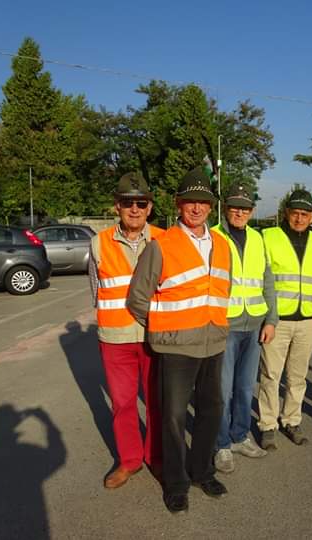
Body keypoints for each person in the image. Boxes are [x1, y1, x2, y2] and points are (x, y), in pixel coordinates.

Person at [127, 166, 231, 514]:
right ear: (178, 204)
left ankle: (202, 471)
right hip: (175, 348)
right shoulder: (161, 246)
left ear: (211, 206)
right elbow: (137, 298)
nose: (197, 208)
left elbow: (222, 290)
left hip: (213, 342)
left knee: (211, 410)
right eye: (190, 201)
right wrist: (162, 328)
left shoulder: (223, 245)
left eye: (203, 202)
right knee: (172, 417)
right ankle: (175, 483)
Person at [88, 171, 163, 489]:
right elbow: (95, 290)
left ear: (150, 207)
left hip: (155, 337)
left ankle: (156, 457)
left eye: (141, 203)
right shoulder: (98, 242)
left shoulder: (164, 239)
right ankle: (130, 460)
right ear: (116, 205)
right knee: (123, 403)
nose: (135, 209)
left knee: (158, 401)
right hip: (115, 339)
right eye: (128, 202)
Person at [211, 184, 278, 474]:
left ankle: (240, 436)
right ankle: (222, 445)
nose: (239, 212)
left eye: (245, 208)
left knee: (245, 387)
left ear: (252, 211)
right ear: (226, 208)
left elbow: (267, 281)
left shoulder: (258, 238)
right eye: (235, 207)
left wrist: (271, 320)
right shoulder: (213, 236)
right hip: (225, 324)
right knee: (222, 389)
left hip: (254, 324)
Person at [258, 189, 312, 449]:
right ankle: (268, 425)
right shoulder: (269, 237)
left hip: (308, 319)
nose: (299, 218)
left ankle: (291, 420)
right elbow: (261, 278)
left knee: (298, 376)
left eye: (304, 214)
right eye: (295, 213)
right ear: (286, 213)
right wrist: (267, 317)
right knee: (270, 375)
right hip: (277, 320)